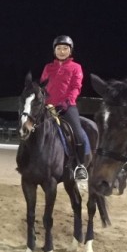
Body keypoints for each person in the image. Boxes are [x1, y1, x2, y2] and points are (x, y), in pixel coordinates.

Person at [40, 35, 91, 182]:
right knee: (32, 127)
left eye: (65, 48)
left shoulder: (76, 67)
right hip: (48, 106)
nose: (61, 51)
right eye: (59, 48)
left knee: (79, 134)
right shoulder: (48, 67)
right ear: (54, 50)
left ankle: (80, 166)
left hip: (67, 107)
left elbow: (76, 87)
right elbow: (43, 86)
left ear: (70, 51)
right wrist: (43, 101)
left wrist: (67, 102)